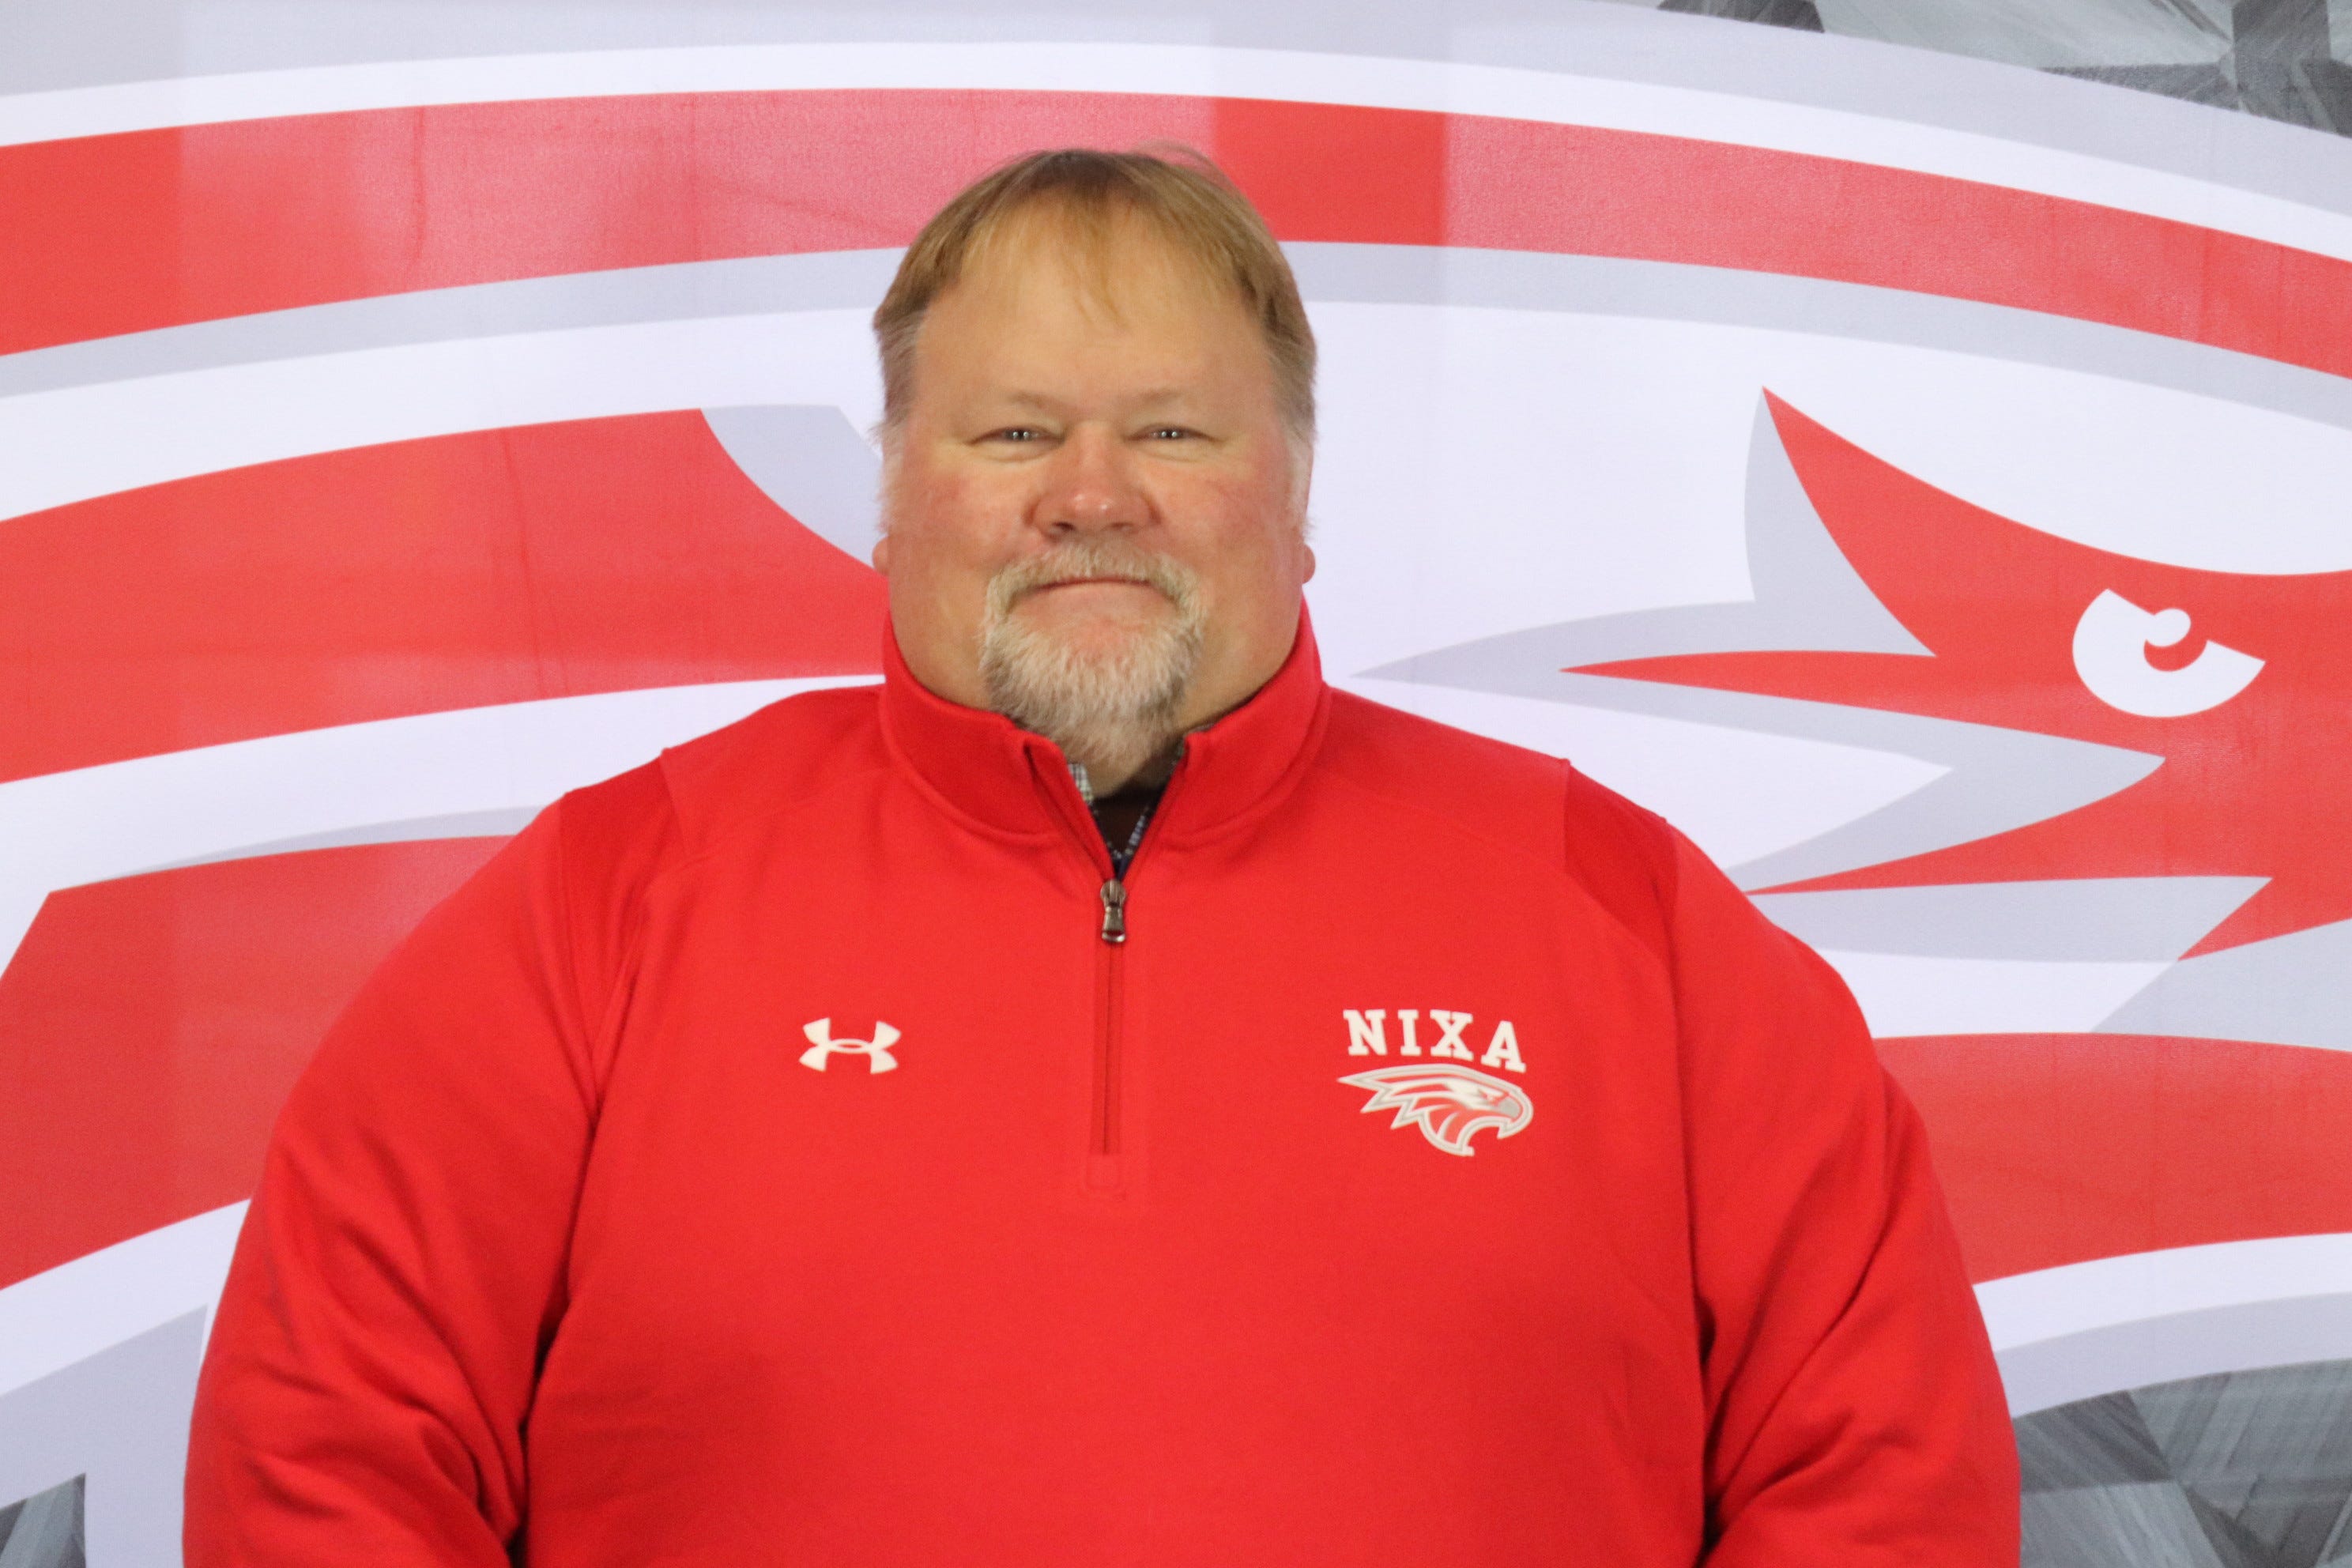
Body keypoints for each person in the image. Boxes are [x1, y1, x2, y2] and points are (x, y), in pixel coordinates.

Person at [185, 148, 2019, 1565]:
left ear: (1295, 496)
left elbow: (1886, 1470)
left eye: (1171, 430)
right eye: (1012, 432)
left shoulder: (1620, 912)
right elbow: (324, 1444)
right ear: (891, 497)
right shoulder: (608, 900)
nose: (1091, 492)